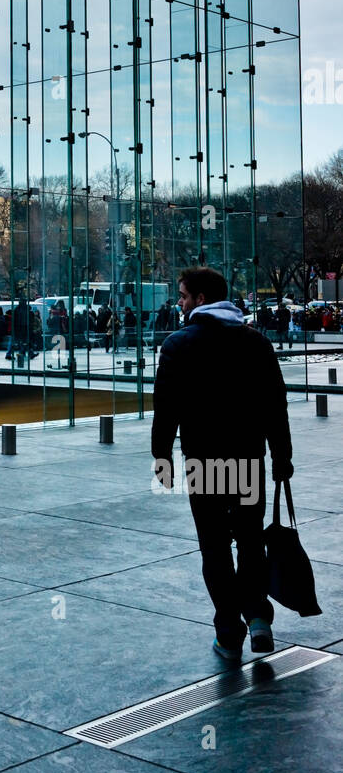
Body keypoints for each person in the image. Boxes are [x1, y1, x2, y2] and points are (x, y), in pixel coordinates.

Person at [152, 267, 292, 662]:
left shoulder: (178, 345)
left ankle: (229, 634)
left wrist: (162, 458)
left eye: (182, 296)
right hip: (248, 460)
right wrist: (282, 457)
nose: (178, 303)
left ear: (199, 299)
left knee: (214, 548)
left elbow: (166, 410)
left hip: (204, 463)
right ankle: (259, 617)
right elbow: (275, 407)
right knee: (250, 541)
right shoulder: (256, 343)